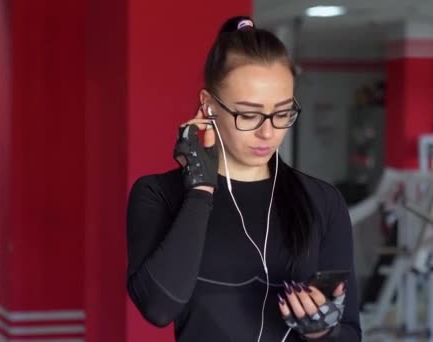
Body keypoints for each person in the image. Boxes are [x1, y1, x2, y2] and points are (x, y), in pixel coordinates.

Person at [126, 16, 362, 342]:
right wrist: (200, 188)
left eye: (281, 114)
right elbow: (158, 307)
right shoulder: (159, 194)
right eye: (248, 115)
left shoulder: (322, 202)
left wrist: (322, 330)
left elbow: (350, 333)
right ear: (209, 106)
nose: (268, 131)